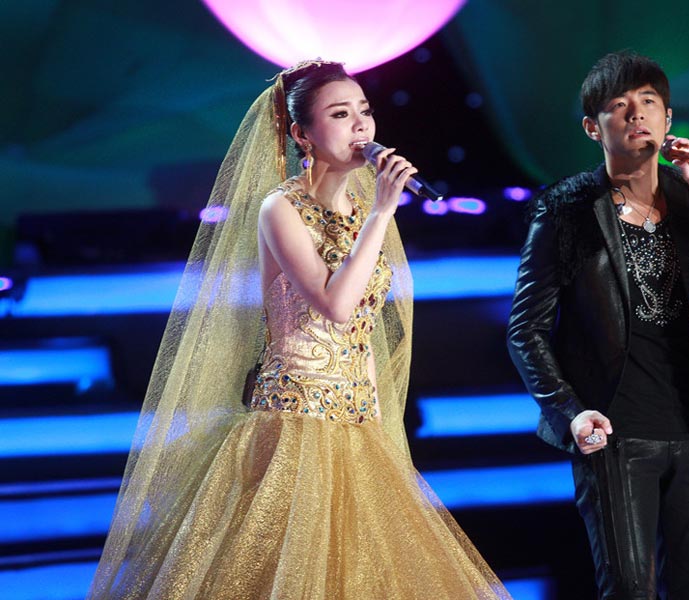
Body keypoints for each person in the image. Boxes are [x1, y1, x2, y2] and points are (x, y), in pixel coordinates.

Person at [89, 60, 511, 600]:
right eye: (340, 114)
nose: (361, 125)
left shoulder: (363, 209)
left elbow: (361, 330)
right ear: (301, 134)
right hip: (295, 419)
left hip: (356, 422)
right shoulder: (281, 209)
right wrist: (383, 214)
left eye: (364, 111)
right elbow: (335, 304)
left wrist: (378, 425)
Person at [507, 51, 689, 599]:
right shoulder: (565, 210)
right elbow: (525, 329)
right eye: (619, 105)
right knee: (629, 589)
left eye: (648, 101)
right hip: (615, 434)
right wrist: (570, 412)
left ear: (668, 120)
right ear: (592, 127)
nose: (636, 113)